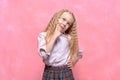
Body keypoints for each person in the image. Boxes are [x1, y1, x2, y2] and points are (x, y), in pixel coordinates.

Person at [38, 9, 83, 80]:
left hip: (65, 72)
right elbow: (44, 55)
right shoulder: (43, 36)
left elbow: (78, 52)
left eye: (68, 23)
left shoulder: (68, 38)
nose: (65, 23)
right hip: (49, 72)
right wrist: (55, 35)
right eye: (63, 19)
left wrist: (74, 60)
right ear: (57, 18)